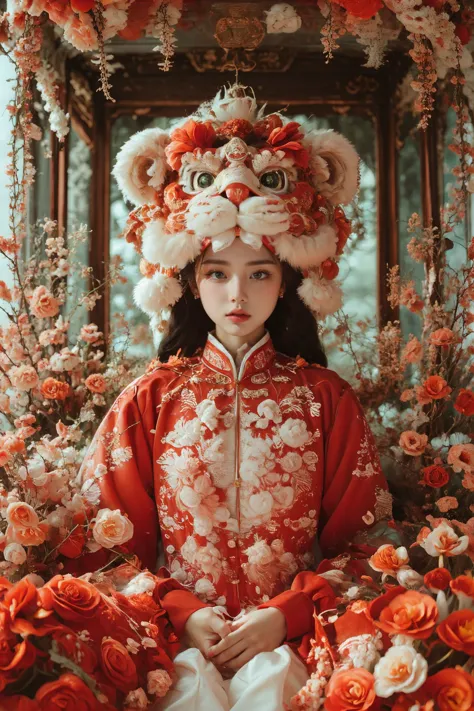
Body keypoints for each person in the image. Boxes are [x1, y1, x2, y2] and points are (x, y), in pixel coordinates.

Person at [79, 85, 391, 710]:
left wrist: (288, 613)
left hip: (293, 643)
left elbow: (369, 548)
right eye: (217, 273)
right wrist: (181, 611)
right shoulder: (150, 399)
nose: (236, 293)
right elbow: (103, 547)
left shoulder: (326, 400)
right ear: (192, 283)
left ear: (288, 282)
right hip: (173, 641)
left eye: (260, 273)